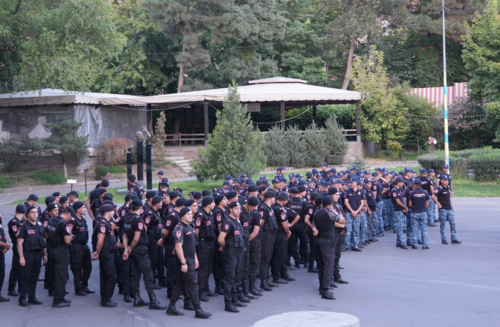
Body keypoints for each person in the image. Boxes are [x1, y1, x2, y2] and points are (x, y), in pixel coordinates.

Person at [166, 207, 212, 319]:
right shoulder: (179, 228)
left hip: (190, 259)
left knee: (180, 283)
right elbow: (178, 247)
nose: (191, 215)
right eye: (188, 214)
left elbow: (192, 246)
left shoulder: (190, 227)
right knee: (192, 285)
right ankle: (198, 310)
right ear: (182, 216)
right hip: (184, 260)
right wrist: (183, 263)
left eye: (191, 214)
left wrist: (195, 258)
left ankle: (171, 307)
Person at [122, 199, 167, 310]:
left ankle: (137, 299)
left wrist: (126, 249)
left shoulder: (127, 218)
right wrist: (130, 248)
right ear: (141, 208)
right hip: (140, 249)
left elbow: (125, 236)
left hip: (132, 250)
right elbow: (137, 238)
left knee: (135, 274)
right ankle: (153, 300)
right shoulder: (138, 220)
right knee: (148, 274)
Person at [312, 195, 345, 300]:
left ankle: (322, 286)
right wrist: (338, 213)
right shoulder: (330, 212)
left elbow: (313, 224)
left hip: (319, 240)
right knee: (328, 266)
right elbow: (342, 221)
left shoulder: (317, 212)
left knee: (321, 265)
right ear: (330, 204)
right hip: (327, 242)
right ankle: (325, 290)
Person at [219, 201, 246, 313]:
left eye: (239, 208)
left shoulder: (237, 220)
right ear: (231, 209)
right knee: (229, 278)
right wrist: (227, 247)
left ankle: (235, 299)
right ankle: (228, 303)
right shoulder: (227, 221)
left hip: (239, 251)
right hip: (231, 252)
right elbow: (220, 239)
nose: (238, 210)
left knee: (236, 277)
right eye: (236, 208)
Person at [17, 206, 47, 307]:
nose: (35, 214)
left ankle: (32, 297)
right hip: (27, 254)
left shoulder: (40, 225)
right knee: (26, 276)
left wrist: (44, 254)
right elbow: (19, 243)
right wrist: (21, 257)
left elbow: (43, 241)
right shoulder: (23, 226)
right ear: (28, 214)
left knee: (34, 276)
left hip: (38, 253)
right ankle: (22, 298)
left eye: (36, 212)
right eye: (32, 212)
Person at [46, 206, 73, 308]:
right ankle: (57, 300)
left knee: (56, 275)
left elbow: (47, 235)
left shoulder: (52, 220)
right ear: (68, 214)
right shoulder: (63, 224)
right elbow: (67, 240)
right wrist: (70, 234)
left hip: (52, 249)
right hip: (61, 251)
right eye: (71, 217)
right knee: (61, 276)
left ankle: (61, 297)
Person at [92, 204, 118, 307]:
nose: (114, 212)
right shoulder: (103, 224)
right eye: (112, 210)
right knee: (112, 276)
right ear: (107, 212)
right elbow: (100, 241)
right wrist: (97, 252)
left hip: (108, 252)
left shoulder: (106, 223)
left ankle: (105, 298)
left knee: (105, 276)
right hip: (106, 253)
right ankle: (106, 299)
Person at [194, 196, 218, 301]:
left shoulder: (210, 214)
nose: (214, 204)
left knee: (208, 267)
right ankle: (201, 291)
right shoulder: (200, 215)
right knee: (203, 269)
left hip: (210, 242)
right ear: (208, 204)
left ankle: (206, 287)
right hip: (203, 244)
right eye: (213, 202)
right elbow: (196, 232)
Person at [70, 201, 94, 296]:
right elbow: (68, 232)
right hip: (76, 245)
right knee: (77, 268)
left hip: (84, 244)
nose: (85, 209)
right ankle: (78, 288)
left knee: (88, 266)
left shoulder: (83, 218)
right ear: (78, 209)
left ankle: (84, 285)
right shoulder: (72, 220)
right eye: (83, 207)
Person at [271, 192, 294, 285]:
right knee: (278, 255)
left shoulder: (274, 207)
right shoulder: (279, 209)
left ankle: (284, 274)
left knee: (282, 255)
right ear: (284, 200)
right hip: (279, 234)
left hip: (278, 233)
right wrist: (288, 232)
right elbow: (284, 225)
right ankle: (277, 276)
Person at [258, 190, 278, 291]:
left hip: (271, 236)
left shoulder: (269, 208)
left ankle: (267, 279)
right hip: (266, 237)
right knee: (265, 259)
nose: (275, 199)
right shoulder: (263, 209)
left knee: (268, 258)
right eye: (274, 197)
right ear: (270, 198)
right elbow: (261, 223)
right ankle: (263, 281)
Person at [432, 176, 461, 245]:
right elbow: (433, 196)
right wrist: (438, 204)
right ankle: (444, 239)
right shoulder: (439, 188)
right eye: (445, 180)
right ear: (441, 181)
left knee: (453, 223)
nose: (446, 181)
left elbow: (449, 195)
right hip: (443, 209)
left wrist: (450, 200)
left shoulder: (447, 187)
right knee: (443, 225)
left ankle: (454, 238)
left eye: (447, 180)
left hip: (449, 208)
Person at [242, 196, 262, 298]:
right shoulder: (254, 214)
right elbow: (254, 233)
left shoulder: (248, 213)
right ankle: (250, 287)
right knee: (253, 265)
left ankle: (250, 287)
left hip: (247, 242)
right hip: (251, 242)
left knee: (250, 266)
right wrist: (245, 242)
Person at [7, 205, 27, 297]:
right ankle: (11, 289)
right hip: (17, 246)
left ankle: (19, 287)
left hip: (21, 246)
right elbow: (17, 236)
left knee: (20, 269)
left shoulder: (20, 222)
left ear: (16, 211)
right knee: (15, 268)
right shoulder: (14, 222)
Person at [408, 180, 430, 249]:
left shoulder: (412, 193)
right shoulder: (425, 192)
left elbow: (410, 204)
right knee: (424, 229)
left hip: (415, 212)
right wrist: (423, 208)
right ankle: (425, 245)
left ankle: (415, 244)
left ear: (416, 185)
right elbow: (427, 203)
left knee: (415, 229)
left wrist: (414, 207)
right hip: (423, 212)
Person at [343, 179, 364, 252]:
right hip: (349, 213)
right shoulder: (348, 191)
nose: (350, 183)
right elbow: (346, 202)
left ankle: (355, 245)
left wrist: (357, 211)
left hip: (357, 213)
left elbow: (362, 203)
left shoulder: (360, 192)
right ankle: (346, 245)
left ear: (356, 183)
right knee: (348, 230)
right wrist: (352, 211)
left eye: (352, 182)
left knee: (356, 230)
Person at [391, 177, 409, 249]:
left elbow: (402, 199)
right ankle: (402, 242)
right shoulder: (394, 190)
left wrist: (405, 207)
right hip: (398, 210)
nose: (402, 183)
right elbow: (398, 201)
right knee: (400, 227)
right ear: (398, 183)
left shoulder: (399, 190)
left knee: (400, 227)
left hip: (401, 210)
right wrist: (405, 207)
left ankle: (398, 242)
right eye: (401, 182)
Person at [0, 209, 11, 302]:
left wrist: (6, 243)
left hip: (1, 252)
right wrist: (5, 245)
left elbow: (4, 234)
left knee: (1, 274)